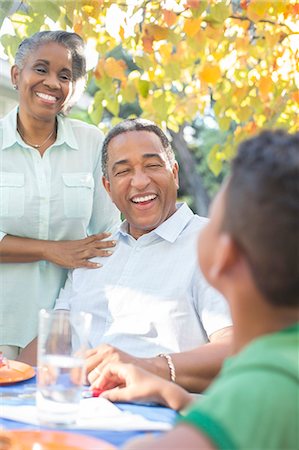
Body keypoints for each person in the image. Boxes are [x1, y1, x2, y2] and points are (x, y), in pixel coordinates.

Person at [88, 130, 299, 450]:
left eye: (217, 219)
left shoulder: (264, 384)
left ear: (224, 256)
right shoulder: (279, 361)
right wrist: (174, 395)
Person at [53, 118, 232, 391]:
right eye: (123, 171)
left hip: (161, 418)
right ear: (108, 187)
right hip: (75, 410)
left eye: (152, 165)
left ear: (174, 172)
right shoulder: (95, 250)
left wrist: (146, 366)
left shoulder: (212, 243)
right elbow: (54, 339)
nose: (139, 181)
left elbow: (236, 348)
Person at [0, 31, 120, 360]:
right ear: (16, 75)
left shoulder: (92, 142)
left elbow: (106, 239)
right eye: (41, 69)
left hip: (66, 329)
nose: (52, 82)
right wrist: (53, 251)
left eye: (64, 76)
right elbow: (67, 251)